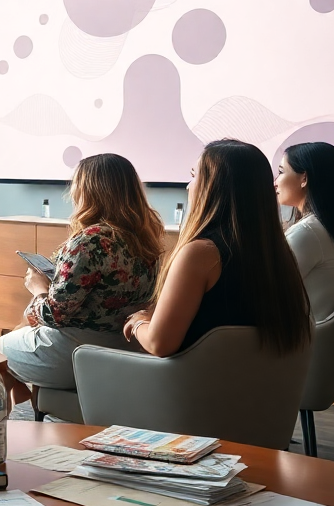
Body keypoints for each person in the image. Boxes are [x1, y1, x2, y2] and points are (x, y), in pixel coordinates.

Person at [0, 154, 164, 402]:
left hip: (77, 351)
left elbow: (54, 314)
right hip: (126, 348)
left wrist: (39, 289)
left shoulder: (91, 240)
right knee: (23, 330)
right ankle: (21, 392)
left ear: (88, 191)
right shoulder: (147, 237)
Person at [123, 139, 311, 358]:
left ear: (212, 186)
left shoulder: (200, 254)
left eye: (194, 176)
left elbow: (160, 344)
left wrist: (138, 323)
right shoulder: (278, 253)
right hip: (263, 388)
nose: (187, 186)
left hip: (198, 387)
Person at [276, 142, 334, 322]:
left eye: (281, 172)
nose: (275, 182)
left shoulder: (308, 233)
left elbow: (265, 292)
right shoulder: (325, 228)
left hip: (305, 344)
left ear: (304, 178)